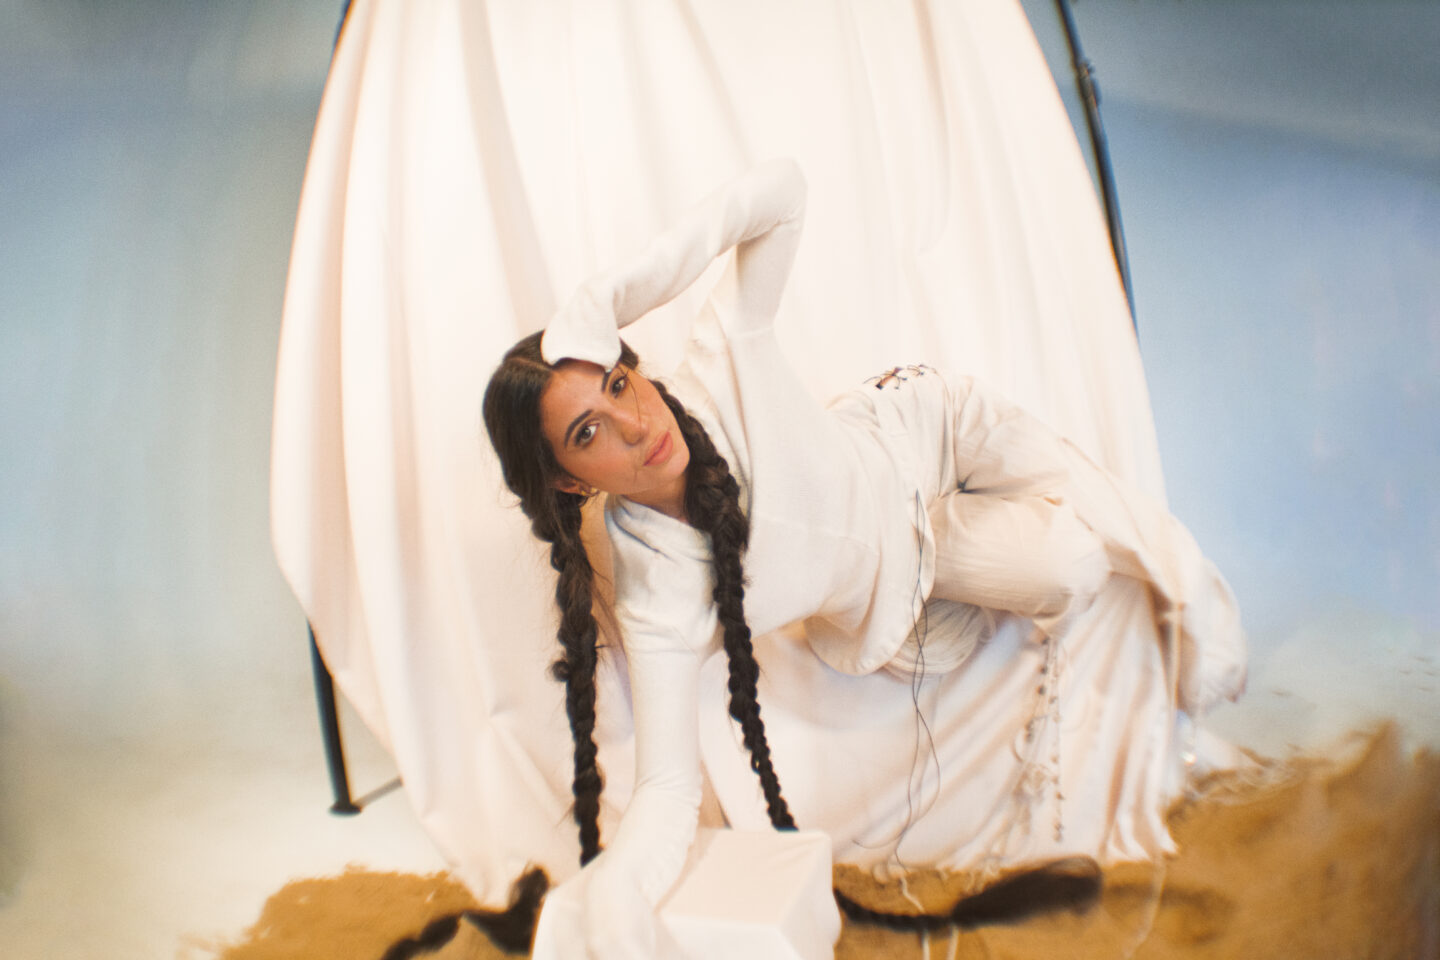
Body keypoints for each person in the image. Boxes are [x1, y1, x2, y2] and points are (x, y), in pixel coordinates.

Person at [481, 160, 1246, 958]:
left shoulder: (722, 360)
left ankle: (1195, 587)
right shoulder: (658, 593)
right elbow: (668, 789)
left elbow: (780, 192)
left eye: (618, 382)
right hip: (912, 553)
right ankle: (1006, 547)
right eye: (589, 432)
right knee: (1072, 565)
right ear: (572, 482)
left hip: (928, 425)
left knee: (1102, 518)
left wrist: (614, 296)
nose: (635, 424)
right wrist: (607, 912)